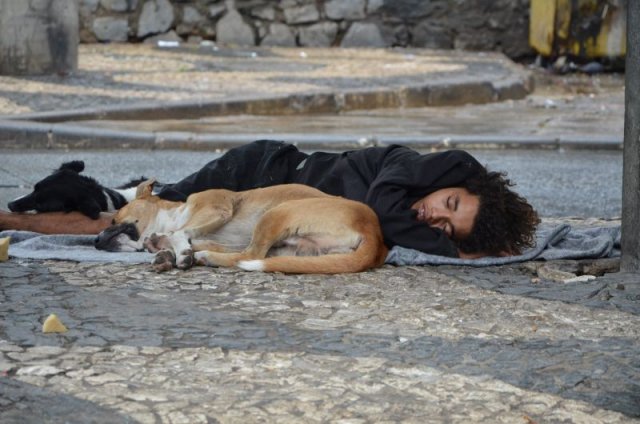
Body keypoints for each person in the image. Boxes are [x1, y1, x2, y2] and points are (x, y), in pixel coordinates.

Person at [0, 140, 539, 258]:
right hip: (256, 173)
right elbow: (389, 214)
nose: (432, 216)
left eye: (446, 226)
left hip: (264, 197)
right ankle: (12, 215)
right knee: (126, 216)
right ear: (451, 180)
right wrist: (456, 250)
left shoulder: (412, 196)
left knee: (128, 206)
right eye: (448, 202)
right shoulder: (403, 168)